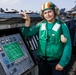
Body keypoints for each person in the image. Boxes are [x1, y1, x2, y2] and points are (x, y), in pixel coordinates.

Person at [21, 1, 72, 75]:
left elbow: (68, 45)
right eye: (45, 13)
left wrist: (62, 63)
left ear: (54, 12)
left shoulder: (62, 25)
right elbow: (27, 33)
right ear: (43, 14)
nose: (47, 15)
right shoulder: (41, 25)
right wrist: (28, 20)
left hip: (57, 61)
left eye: (50, 12)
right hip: (43, 62)